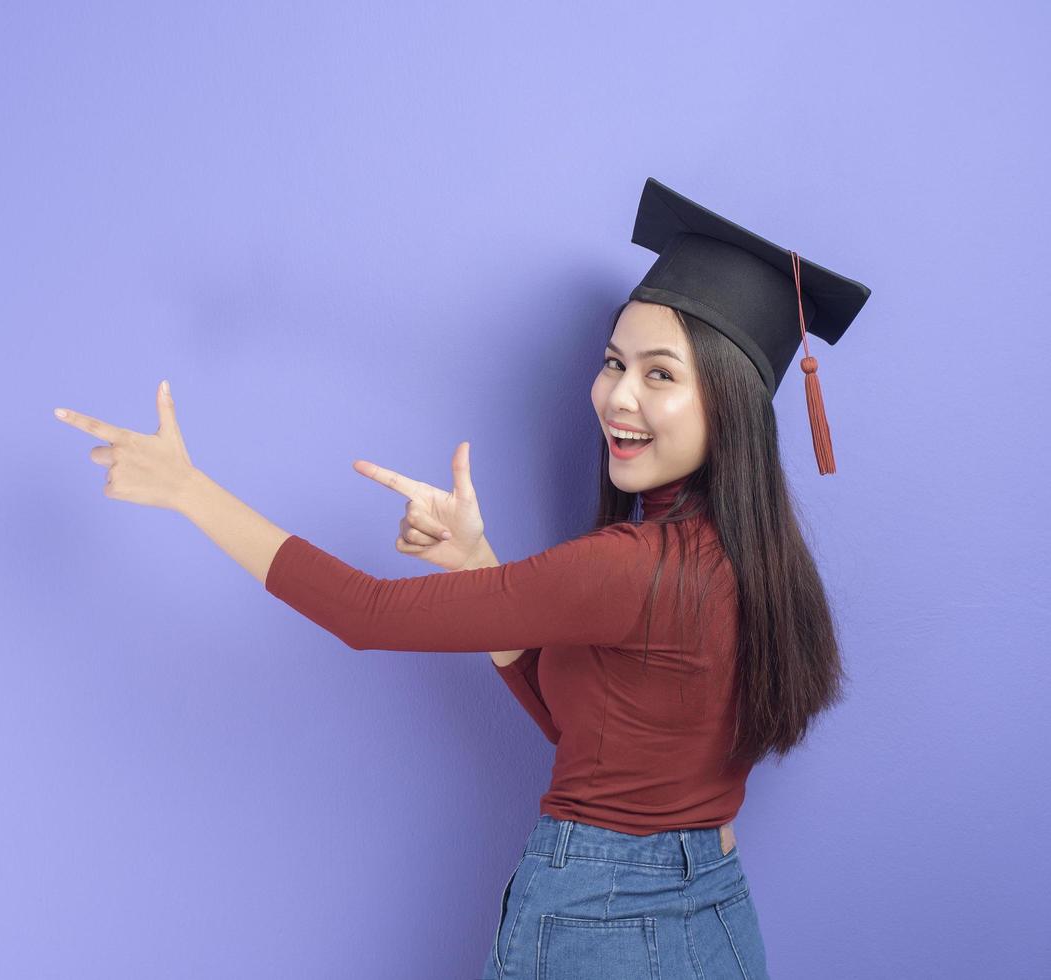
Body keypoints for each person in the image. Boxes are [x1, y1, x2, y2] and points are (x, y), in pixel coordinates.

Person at [53, 177, 871, 979]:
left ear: (727, 401)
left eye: (660, 375)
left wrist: (186, 490)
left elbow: (366, 614)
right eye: (613, 363)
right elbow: (589, 742)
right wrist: (477, 567)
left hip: (605, 920)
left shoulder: (634, 568)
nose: (618, 396)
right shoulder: (745, 559)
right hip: (714, 915)